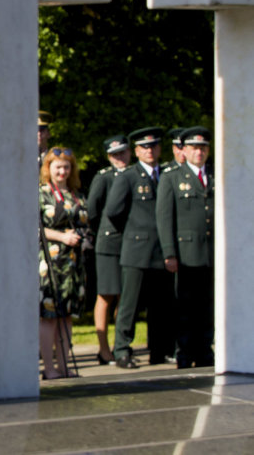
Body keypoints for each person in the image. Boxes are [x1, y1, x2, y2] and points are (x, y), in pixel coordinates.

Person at [105, 127, 176, 369]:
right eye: (144, 147)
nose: (150, 150)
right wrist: (133, 232)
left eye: (154, 146)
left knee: (161, 304)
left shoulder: (167, 173)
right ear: (136, 151)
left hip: (161, 250)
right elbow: (113, 211)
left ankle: (160, 350)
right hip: (136, 249)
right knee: (130, 304)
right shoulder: (128, 176)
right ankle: (122, 350)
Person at [156, 126, 214, 368]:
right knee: (186, 305)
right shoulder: (172, 177)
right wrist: (169, 252)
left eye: (203, 148)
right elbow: (164, 217)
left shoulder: (215, 175)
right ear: (184, 150)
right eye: (193, 148)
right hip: (186, 254)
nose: (198, 152)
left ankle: (204, 350)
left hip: (212, 253)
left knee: (208, 305)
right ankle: (185, 351)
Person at [39, 147, 88, 379]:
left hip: (73, 262)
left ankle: (64, 365)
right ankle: (48, 368)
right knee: (49, 316)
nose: (62, 171)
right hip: (50, 262)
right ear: (48, 168)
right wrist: (62, 237)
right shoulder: (41, 193)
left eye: (66, 166)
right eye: (58, 166)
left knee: (66, 317)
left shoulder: (75, 194)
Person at [85, 135, 131, 365]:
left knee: (126, 296)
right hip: (109, 242)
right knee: (106, 294)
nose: (120, 158)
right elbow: (92, 210)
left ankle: (121, 345)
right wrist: (99, 232)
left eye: (122, 152)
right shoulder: (103, 178)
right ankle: (103, 349)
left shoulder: (135, 175)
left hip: (132, 242)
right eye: (114, 154)